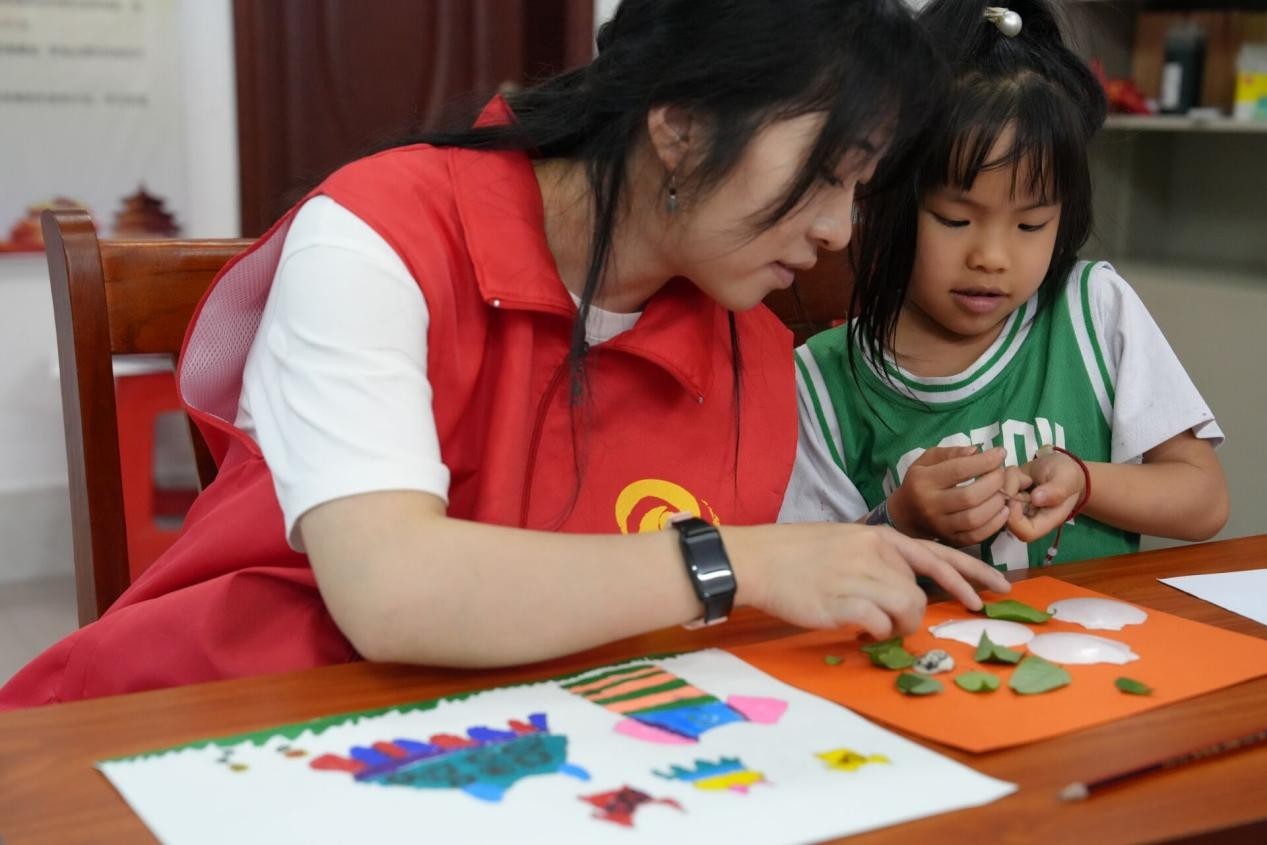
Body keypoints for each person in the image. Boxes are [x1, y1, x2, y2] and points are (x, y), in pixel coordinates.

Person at [1, 0, 1009, 708]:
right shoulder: (381, 231)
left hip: (518, 744)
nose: (837, 230)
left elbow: (751, 587)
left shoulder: (743, 327)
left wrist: (880, 536)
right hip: (220, 724)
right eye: (826, 176)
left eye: (859, 190)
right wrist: (735, 560)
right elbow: (391, 591)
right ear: (680, 126)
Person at [780, 0, 1228, 570]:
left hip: (1094, 627)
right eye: (954, 220)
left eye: (1030, 225)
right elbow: (806, 571)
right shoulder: (823, 381)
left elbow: (1204, 500)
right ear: (886, 200)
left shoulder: (1092, 309)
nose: (990, 258)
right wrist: (900, 518)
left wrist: (1085, 481)